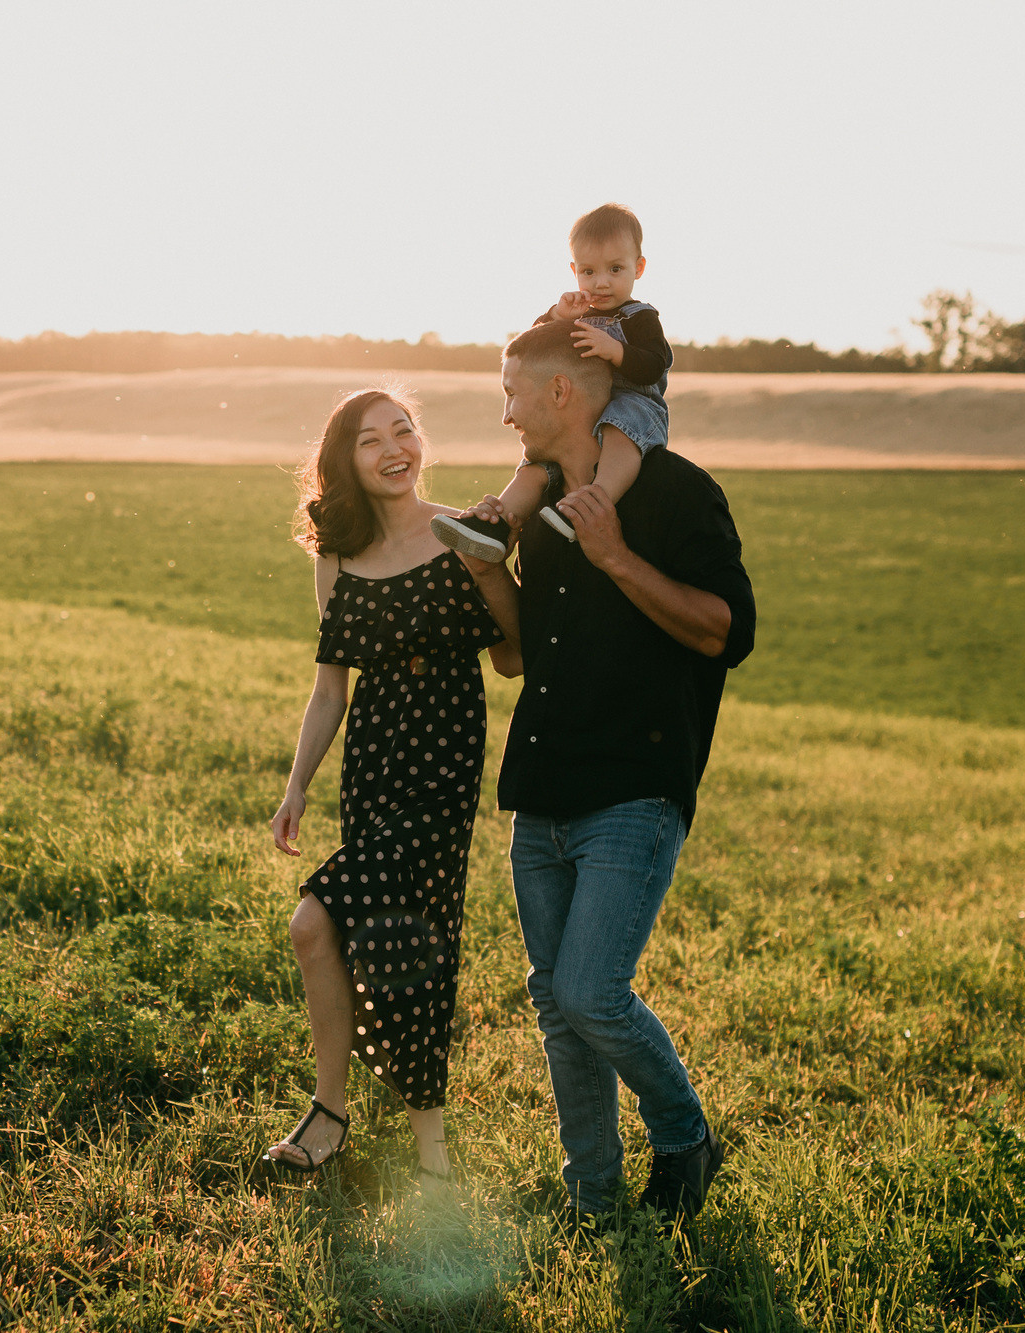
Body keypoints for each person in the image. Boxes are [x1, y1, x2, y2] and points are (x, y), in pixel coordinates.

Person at [465, 318, 755, 1225]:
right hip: (540, 792)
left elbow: (723, 631)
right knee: (558, 1007)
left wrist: (617, 556)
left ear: (561, 392)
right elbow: (517, 661)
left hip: (637, 786)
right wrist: (484, 569)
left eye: (514, 392)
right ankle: (592, 1194)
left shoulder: (676, 492)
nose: (506, 413)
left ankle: (684, 1134)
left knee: (592, 991)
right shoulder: (542, 514)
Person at [264, 386, 521, 1187]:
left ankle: (383, 1134)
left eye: (403, 430)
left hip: (443, 765)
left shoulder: (461, 533)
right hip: (374, 767)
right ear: (347, 461)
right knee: (387, 938)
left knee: (335, 926)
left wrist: (489, 568)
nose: (393, 448)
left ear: (421, 443)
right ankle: (363, 1123)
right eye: (371, 440)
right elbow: (331, 689)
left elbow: (513, 655)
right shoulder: (336, 554)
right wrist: (297, 784)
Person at [433, 202, 673, 561]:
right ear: (574, 270)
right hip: (585, 411)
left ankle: (590, 505)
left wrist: (616, 351)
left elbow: (656, 364)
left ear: (639, 268)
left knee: (619, 430)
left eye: (616, 269)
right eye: (589, 271)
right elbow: (531, 354)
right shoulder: (578, 314)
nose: (601, 281)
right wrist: (557, 316)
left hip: (635, 406)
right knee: (537, 463)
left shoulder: (641, 318)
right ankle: (496, 525)